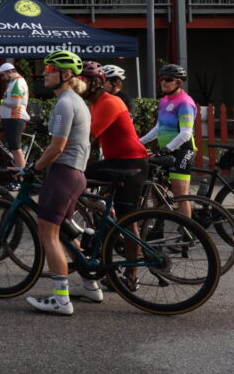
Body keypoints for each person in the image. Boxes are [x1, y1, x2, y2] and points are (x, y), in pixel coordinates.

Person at [24, 50, 91, 316]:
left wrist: (33, 167)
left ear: (65, 75)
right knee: (66, 232)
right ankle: (89, 283)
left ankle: (61, 300)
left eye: (50, 69)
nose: (44, 73)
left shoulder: (65, 102)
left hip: (63, 173)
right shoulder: (72, 99)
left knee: (47, 233)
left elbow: (57, 148)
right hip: (73, 174)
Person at [76, 61, 148, 300]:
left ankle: (131, 276)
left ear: (96, 83)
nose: (80, 84)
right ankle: (104, 216)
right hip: (117, 162)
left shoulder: (109, 102)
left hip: (130, 163)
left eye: (84, 81)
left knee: (129, 221)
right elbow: (94, 143)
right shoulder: (95, 104)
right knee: (75, 181)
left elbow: (88, 138)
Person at [139, 64, 196, 218]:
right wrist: (138, 142)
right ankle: (158, 230)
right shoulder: (164, 101)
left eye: (168, 79)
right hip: (167, 151)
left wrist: (166, 149)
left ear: (179, 83)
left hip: (183, 150)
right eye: (161, 79)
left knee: (180, 194)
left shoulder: (185, 102)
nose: (163, 82)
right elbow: (158, 128)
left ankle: (188, 233)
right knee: (157, 191)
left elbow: (185, 133)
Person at [0, 62, 30, 169]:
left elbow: (15, 104)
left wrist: (1, 101)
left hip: (14, 119)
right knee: (14, 149)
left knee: (16, 149)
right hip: (11, 119)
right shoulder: (14, 82)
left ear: (10, 72)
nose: (2, 78)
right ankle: (19, 175)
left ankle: (22, 177)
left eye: (3, 75)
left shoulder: (18, 83)